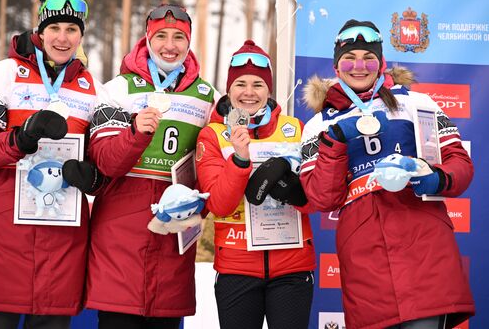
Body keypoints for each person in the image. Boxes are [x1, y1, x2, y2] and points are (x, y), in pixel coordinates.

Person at [298, 19, 475, 329]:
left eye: (368, 58)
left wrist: (436, 178)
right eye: (349, 59)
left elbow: (458, 161)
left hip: (424, 249)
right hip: (365, 260)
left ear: (380, 63)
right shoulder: (318, 126)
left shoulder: (416, 103)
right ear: (337, 67)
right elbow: (322, 197)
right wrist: (335, 140)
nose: (359, 66)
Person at [0, 0, 99, 329]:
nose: (62, 38)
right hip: (2, 238)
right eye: (54, 28)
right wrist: (20, 138)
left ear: (81, 35)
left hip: (60, 241)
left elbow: (98, 156)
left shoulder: (88, 86)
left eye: (71, 29)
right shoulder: (1, 75)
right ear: (40, 29)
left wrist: (94, 176)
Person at [76, 4, 220, 329]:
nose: (170, 45)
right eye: (162, 36)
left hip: (173, 240)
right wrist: (135, 132)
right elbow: (106, 161)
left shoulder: (207, 97)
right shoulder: (118, 90)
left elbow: (215, 167)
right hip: (120, 240)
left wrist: (199, 206)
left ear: (189, 41)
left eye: (179, 37)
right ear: (147, 39)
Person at [195, 40, 315, 329]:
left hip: (292, 267)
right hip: (237, 266)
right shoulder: (212, 135)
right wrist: (239, 160)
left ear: (269, 90)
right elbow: (219, 205)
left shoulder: (295, 129)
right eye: (241, 84)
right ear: (229, 89)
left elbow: (318, 199)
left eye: (258, 84)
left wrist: (294, 191)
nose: (249, 93)